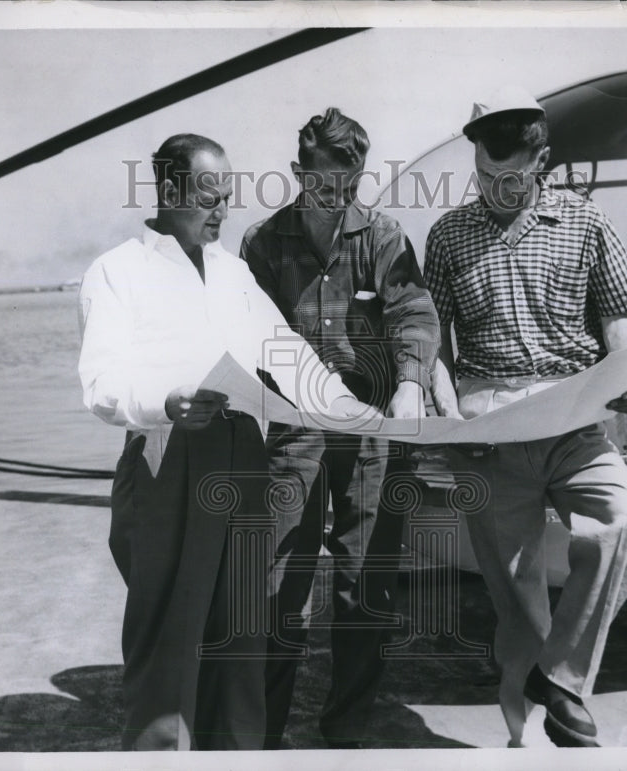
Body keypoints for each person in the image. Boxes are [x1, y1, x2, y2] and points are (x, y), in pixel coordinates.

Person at [77, 133, 370, 751]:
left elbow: (287, 355)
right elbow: (102, 383)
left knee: (242, 634)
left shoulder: (234, 272)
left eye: (228, 199)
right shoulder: (117, 271)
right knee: (170, 641)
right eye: (209, 197)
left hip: (243, 464)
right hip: (169, 459)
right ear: (168, 190)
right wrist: (167, 401)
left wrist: (352, 410)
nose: (221, 212)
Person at [425, 87, 627, 748]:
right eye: (485, 176)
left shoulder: (587, 223)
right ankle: (535, 731)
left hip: (574, 419)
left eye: (513, 177)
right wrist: (450, 418)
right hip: (489, 428)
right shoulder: (447, 235)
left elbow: (619, 315)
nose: (498, 188)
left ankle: (560, 679)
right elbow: (432, 341)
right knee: (518, 598)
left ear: (544, 161)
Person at [240, 108, 441, 749]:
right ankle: (265, 735)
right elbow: (247, 334)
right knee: (276, 585)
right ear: (298, 172)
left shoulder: (384, 237)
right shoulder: (262, 242)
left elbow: (414, 312)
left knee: (366, 585)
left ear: (359, 174)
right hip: (291, 434)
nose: (332, 197)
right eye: (317, 181)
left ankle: (346, 730)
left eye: (345, 183)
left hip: (369, 434)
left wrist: (411, 381)